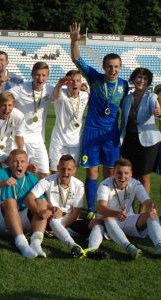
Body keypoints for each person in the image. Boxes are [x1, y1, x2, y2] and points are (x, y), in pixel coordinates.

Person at [70, 22, 129, 219]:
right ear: (103, 67)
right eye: (109, 67)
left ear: (120, 68)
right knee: (92, 173)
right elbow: (77, 59)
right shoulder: (95, 78)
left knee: (110, 173)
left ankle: (108, 207)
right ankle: (92, 211)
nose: (113, 70)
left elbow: (127, 108)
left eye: (116, 67)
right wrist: (74, 41)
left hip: (111, 135)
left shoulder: (124, 85)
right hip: (92, 132)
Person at [25, 155, 106, 259]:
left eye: (69, 169)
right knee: (54, 221)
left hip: (68, 221)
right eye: (62, 169)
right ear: (58, 168)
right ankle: (73, 246)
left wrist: (61, 226)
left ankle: (92, 249)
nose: (65, 172)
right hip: (51, 220)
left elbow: (75, 212)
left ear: (74, 170)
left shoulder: (79, 185)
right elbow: (29, 198)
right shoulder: (47, 181)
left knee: (98, 223)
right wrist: (41, 212)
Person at [0, 149, 48, 258]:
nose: (19, 165)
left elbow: (43, 202)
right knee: (10, 200)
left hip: (24, 222)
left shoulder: (31, 179)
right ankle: (21, 244)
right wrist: (2, 183)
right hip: (2, 223)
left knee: (41, 205)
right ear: (9, 163)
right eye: (15, 161)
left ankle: (36, 243)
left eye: (22, 162)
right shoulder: (2, 172)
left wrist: (49, 209)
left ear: (27, 164)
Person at [97, 158, 161, 258]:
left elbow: (146, 201)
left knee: (151, 215)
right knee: (107, 217)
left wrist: (151, 206)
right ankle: (129, 247)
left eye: (126, 173)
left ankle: (159, 245)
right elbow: (101, 208)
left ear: (131, 174)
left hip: (128, 219)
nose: (122, 176)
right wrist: (117, 214)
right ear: (113, 173)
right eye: (119, 173)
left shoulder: (135, 183)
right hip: (111, 222)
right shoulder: (105, 184)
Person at [4, 62, 54, 178]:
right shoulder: (20, 88)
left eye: (43, 75)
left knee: (45, 173)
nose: (40, 78)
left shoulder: (50, 90)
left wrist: (82, 89)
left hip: (38, 139)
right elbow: (3, 98)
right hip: (19, 138)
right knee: (19, 172)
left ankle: (41, 196)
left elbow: (65, 94)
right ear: (32, 74)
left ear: (47, 76)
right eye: (37, 75)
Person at [120, 68, 160, 193]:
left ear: (148, 82)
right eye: (139, 77)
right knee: (129, 176)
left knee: (144, 176)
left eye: (145, 78)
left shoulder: (151, 97)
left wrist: (158, 112)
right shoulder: (127, 99)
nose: (141, 80)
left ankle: (143, 210)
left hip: (148, 143)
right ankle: (129, 208)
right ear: (133, 79)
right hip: (129, 141)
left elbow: (157, 109)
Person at [49, 70, 89, 172]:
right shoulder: (61, 94)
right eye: (72, 81)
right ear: (66, 83)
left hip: (75, 142)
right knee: (55, 171)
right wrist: (59, 84)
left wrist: (87, 90)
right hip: (59, 141)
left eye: (78, 80)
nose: (75, 83)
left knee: (71, 172)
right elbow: (55, 95)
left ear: (81, 82)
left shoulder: (85, 95)